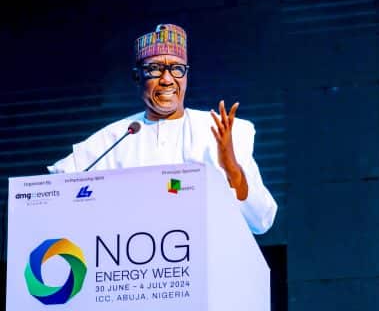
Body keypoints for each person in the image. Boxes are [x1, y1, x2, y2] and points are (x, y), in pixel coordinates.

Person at [47, 23, 277, 234]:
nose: (167, 79)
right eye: (155, 69)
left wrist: (231, 168)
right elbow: (54, 193)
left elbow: (262, 221)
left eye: (177, 69)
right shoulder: (115, 138)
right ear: (137, 77)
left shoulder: (222, 131)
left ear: (186, 76)